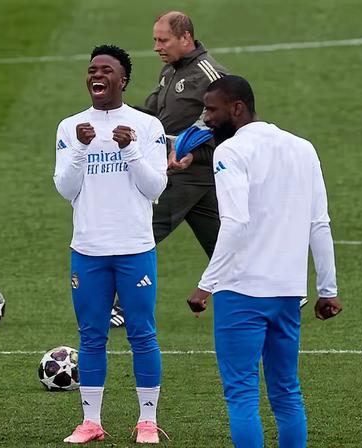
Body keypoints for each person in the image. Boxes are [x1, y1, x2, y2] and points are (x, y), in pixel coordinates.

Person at [186, 75, 342, 448]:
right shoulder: (303, 147)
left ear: (236, 108)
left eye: (211, 109)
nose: (206, 118)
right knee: (287, 392)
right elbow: (319, 223)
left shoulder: (231, 153)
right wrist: (327, 289)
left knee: (242, 395)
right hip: (287, 293)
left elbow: (236, 223)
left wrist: (206, 284)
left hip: (241, 292)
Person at [53, 44, 168, 444]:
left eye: (105, 70)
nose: (96, 75)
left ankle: (147, 422)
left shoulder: (146, 126)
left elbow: (156, 186)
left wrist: (131, 149)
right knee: (91, 335)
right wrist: (82, 150)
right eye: (91, 69)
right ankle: (91, 422)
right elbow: (66, 189)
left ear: (122, 80)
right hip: (87, 249)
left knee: (142, 334)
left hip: (135, 247)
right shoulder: (71, 127)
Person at [109, 11, 229, 328]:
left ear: (185, 38)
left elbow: (225, 125)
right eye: (155, 40)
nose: (157, 47)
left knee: (139, 231)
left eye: (163, 40)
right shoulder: (170, 71)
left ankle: (121, 305)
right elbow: (152, 116)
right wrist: (114, 107)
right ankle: (278, 291)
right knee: (224, 242)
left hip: (186, 173)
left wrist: (191, 155)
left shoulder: (210, 75)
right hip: (181, 172)